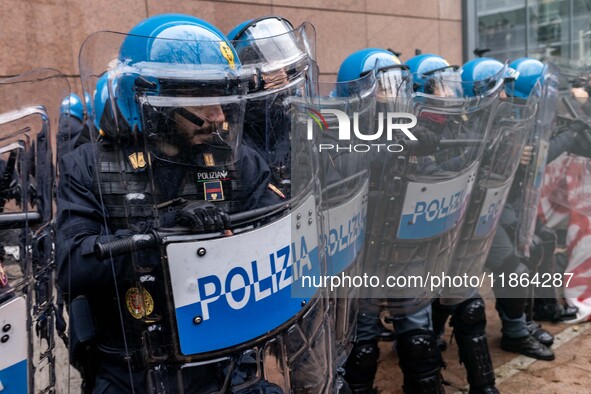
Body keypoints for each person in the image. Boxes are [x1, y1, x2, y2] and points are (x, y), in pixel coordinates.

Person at [56, 14, 282, 393]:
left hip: (224, 360)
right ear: (153, 97)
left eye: (223, 97)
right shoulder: (89, 166)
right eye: (204, 99)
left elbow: (276, 236)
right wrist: (164, 233)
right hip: (131, 368)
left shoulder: (239, 161)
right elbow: (71, 268)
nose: (219, 116)